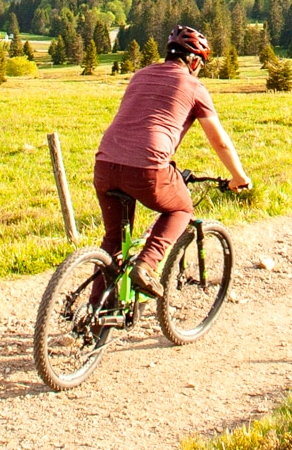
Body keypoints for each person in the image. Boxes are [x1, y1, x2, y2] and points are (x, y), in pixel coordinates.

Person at [92, 23, 252, 306]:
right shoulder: (193, 86)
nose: (199, 69)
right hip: (147, 168)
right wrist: (239, 177)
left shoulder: (139, 76)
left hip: (105, 164)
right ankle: (147, 265)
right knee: (181, 208)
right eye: (200, 63)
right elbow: (221, 142)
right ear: (193, 60)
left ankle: (94, 315)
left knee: (113, 242)